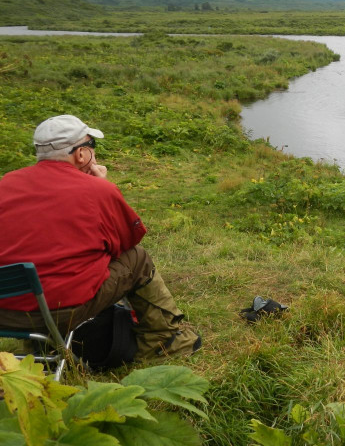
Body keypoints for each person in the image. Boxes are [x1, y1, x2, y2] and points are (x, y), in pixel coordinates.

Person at [0, 114, 200, 360]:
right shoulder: (97, 190)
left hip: (5, 310)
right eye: (92, 146)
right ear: (81, 154)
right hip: (62, 310)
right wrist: (102, 186)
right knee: (137, 258)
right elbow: (126, 242)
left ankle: (41, 347)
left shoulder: (5, 184)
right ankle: (165, 341)